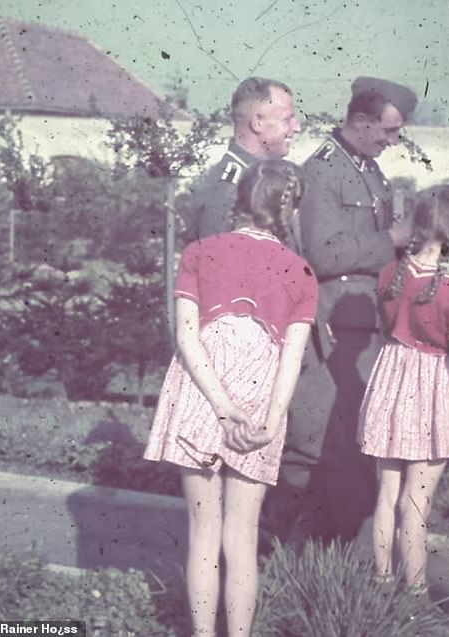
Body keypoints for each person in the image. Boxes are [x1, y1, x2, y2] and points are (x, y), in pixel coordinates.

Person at [144, 159, 317, 637]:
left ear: (239, 200)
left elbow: (186, 336)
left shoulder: (200, 252)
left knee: (203, 533)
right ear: (291, 211)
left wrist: (222, 407)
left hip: (202, 392)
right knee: (242, 538)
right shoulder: (301, 272)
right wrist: (270, 419)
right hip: (262, 402)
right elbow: (292, 360)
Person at [273, 76, 419, 541]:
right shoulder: (324, 170)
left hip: (364, 320)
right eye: (388, 131)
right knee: (315, 443)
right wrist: (390, 241)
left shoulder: (367, 168)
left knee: (352, 443)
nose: (392, 141)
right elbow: (323, 254)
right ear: (361, 121)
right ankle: (273, 549)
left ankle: (326, 555)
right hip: (336, 320)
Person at [357, 184, 449, 591]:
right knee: (417, 503)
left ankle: (382, 580)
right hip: (431, 394)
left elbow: (390, 327)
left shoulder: (390, 274)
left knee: (386, 494)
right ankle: (415, 593)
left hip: (390, 383)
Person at [193, 77, 302, 241]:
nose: (297, 128)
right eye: (286, 120)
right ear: (257, 123)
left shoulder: (260, 178)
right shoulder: (228, 191)